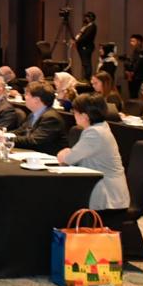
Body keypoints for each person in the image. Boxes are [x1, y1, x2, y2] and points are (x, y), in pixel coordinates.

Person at [57, 94, 130, 228]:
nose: (74, 115)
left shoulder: (95, 133)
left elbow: (67, 159)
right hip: (106, 189)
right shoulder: (101, 127)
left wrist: (65, 153)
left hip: (107, 195)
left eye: (75, 112)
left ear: (84, 116)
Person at [0, 81, 67, 155]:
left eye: (27, 94)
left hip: (47, 157)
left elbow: (34, 140)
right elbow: (20, 131)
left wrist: (6, 138)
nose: (25, 97)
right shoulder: (33, 114)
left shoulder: (51, 118)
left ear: (36, 100)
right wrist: (3, 135)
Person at [74, 11, 97, 80]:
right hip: (82, 46)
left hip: (86, 47)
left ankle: (87, 78)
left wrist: (77, 41)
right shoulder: (86, 26)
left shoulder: (92, 26)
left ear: (90, 18)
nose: (85, 18)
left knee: (87, 63)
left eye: (86, 17)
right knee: (84, 63)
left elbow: (86, 37)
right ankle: (86, 77)